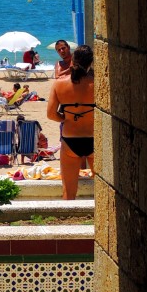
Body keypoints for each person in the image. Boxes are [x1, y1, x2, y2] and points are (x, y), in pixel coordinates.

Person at [46, 44, 94, 200]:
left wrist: (66, 118)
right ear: (91, 63)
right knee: (103, 189)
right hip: (94, 139)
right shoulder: (98, 83)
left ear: (72, 61)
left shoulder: (59, 84)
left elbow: (51, 114)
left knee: (68, 192)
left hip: (70, 140)